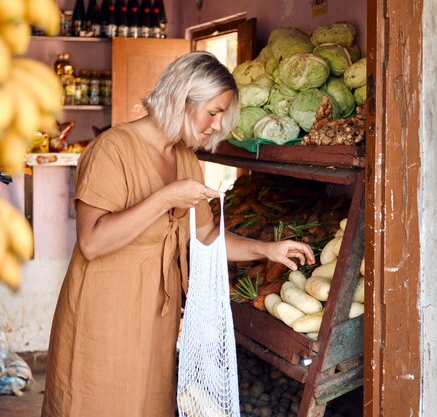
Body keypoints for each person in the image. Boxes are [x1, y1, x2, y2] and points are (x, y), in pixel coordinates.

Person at [41, 51, 315, 417]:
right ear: (180, 99)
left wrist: (266, 248)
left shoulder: (185, 159)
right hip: (106, 311)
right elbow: (91, 242)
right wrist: (165, 197)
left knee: (147, 403)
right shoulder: (112, 149)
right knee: (97, 401)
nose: (217, 126)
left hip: (157, 313)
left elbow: (204, 236)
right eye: (213, 113)